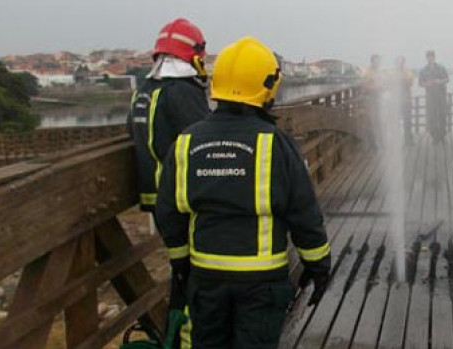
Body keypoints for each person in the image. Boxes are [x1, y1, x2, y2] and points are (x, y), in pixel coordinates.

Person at [155, 36, 332, 348]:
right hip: (261, 283)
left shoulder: (185, 142)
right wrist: (317, 265)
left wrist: (181, 263)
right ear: (268, 86)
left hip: (205, 279)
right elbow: (303, 212)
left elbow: (168, 213)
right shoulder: (275, 143)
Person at [126, 17, 209, 347]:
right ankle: (185, 339)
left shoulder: (143, 93)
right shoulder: (181, 93)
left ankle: (176, 337)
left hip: (157, 201)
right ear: (193, 54)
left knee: (181, 272)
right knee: (193, 277)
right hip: (180, 202)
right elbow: (205, 141)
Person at [418, 50, 449, 143]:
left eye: (431, 56)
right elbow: (420, 83)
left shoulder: (441, 67)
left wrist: (440, 81)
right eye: (428, 57)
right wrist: (427, 83)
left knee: (442, 115)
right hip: (430, 97)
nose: (430, 58)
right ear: (426, 58)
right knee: (432, 117)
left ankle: (442, 136)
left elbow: (447, 79)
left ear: (434, 57)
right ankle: (435, 137)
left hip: (441, 96)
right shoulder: (423, 70)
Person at [393, 56, 415, 144]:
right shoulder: (393, 72)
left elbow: (410, 82)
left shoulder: (407, 71)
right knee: (396, 121)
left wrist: (400, 80)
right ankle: (397, 140)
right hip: (396, 102)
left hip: (406, 100)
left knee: (408, 121)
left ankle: (408, 139)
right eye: (398, 62)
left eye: (402, 62)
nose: (400, 64)